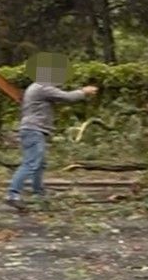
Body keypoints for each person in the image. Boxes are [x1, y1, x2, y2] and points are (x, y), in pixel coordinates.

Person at [6, 53, 97, 210]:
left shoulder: (37, 87)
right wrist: (84, 91)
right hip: (33, 130)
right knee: (31, 163)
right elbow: (67, 97)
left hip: (33, 129)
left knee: (39, 163)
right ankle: (13, 194)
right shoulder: (42, 87)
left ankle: (38, 192)